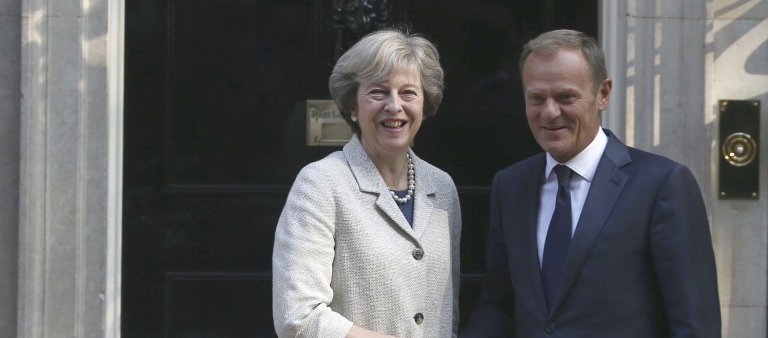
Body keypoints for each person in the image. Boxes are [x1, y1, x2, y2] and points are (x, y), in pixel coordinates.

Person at [461, 29, 721, 337]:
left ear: (603, 94)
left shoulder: (661, 185)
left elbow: (694, 326)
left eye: (565, 96)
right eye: (536, 98)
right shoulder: (510, 186)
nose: (549, 112)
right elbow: (499, 306)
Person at [273, 28, 462, 338]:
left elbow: (445, 314)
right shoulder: (319, 184)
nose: (394, 105)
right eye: (378, 91)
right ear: (352, 105)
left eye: (408, 92)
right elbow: (298, 317)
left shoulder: (442, 188)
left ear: (425, 103)